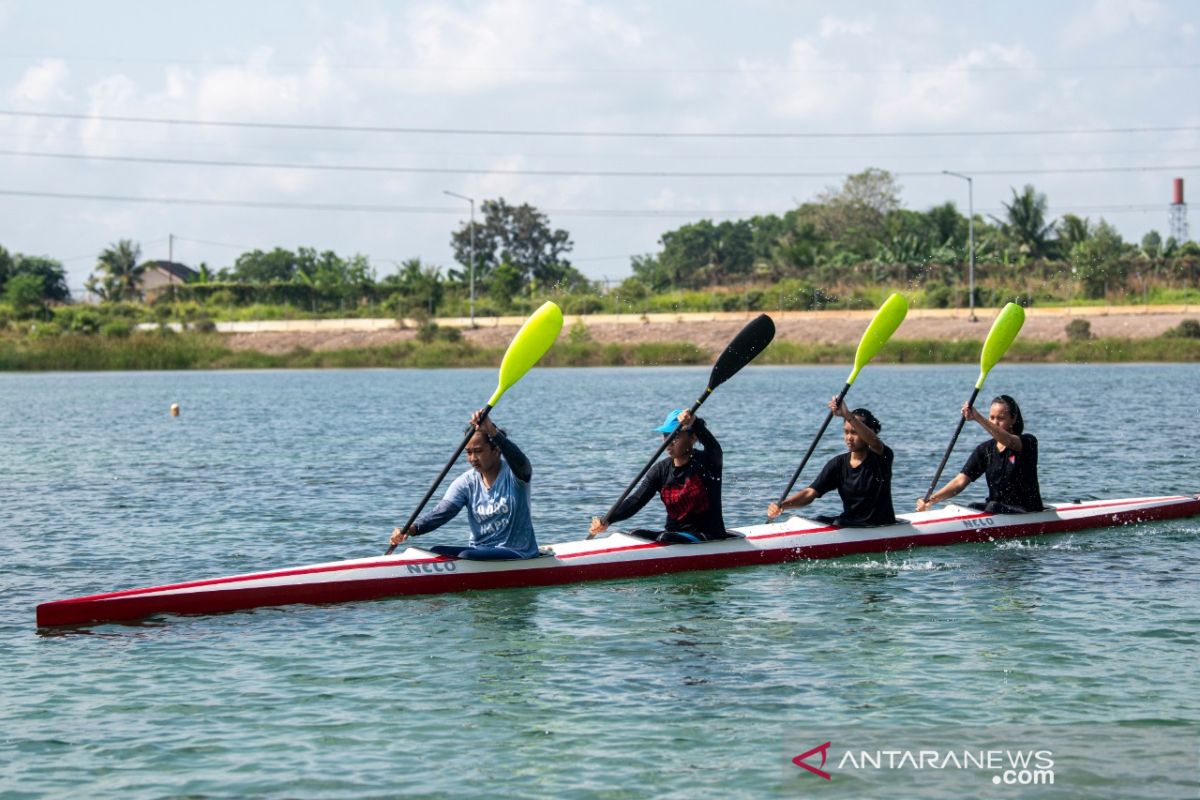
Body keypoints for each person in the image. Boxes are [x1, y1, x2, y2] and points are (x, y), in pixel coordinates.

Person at [389, 409, 539, 559]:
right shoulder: (466, 482)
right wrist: (411, 529)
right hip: (478, 551)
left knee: (466, 555)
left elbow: (522, 463)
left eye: (478, 451)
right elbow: (443, 512)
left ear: (496, 450)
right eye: (468, 452)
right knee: (435, 551)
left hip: (516, 551)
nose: (473, 458)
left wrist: (493, 432)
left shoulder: (515, 474)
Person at [588, 408, 730, 543]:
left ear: (692, 437)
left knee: (665, 538)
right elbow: (635, 501)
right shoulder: (660, 471)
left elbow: (714, 448)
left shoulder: (708, 462)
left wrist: (695, 422)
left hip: (709, 536)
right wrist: (608, 519)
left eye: (674, 436)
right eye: (665, 436)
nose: (668, 443)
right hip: (674, 536)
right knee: (634, 534)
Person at [767, 397, 896, 527]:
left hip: (879, 525)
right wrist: (783, 505)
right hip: (851, 523)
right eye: (846, 432)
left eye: (855, 432)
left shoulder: (882, 456)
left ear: (869, 432)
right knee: (819, 519)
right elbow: (810, 493)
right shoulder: (838, 464)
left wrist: (847, 414)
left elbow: (874, 442)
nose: (849, 438)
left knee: (838, 522)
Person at [916, 394, 1043, 514]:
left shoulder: (1028, 442)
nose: (994, 422)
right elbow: (960, 481)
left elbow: (1008, 440)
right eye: (992, 417)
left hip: (1027, 510)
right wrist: (931, 500)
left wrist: (977, 417)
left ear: (1013, 419)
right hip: (997, 510)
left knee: (992, 506)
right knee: (973, 507)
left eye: (1000, 418)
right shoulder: (985, 450)